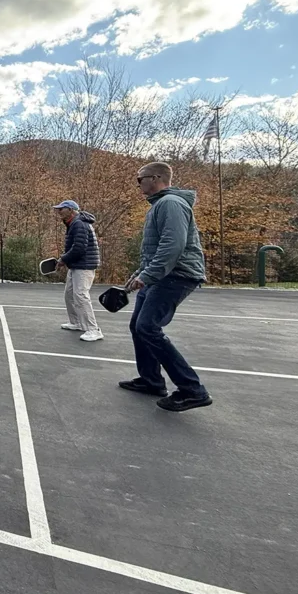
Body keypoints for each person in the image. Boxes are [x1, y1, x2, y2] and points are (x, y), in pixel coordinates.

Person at [120, 162, 212, 412]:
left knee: (147, 327)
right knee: (138, 326)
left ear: (157, 178)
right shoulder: (159, 205)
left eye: (140, 179)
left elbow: (173, 246)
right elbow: (155, 248)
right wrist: (140, 273)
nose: (138, 184)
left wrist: (149, 274)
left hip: (176, 275)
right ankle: (151, 381)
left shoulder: (171, 204)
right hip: (160, 275)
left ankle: (193, 390)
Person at [53, 200, 102, 342]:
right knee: (69, 294)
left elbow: (79, 248)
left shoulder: (79, 224)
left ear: (71, 210)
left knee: (81, 295)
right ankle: (76, 322)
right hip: (76, 265)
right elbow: (73, 247)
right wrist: (66, 259)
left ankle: (93, 329)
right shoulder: (73, 223)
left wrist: (63, 259)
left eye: (62, 209)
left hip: (84, 266)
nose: (59, 211)